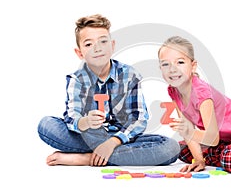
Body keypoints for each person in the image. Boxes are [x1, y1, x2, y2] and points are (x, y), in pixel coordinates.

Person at [37, 14, 180, 166]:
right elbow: (72, 117)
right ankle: (112, 155)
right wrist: (85, 122)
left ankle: (86, 158)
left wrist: (112, 143)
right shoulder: (76, 80)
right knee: (46, 125)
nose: (97, 48)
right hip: (88, 137)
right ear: (79, 53)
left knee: (170, 147)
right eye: (88, 44)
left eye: (103, 41)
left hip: (121, 139)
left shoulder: (129, 75)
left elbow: (139, 119)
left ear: (112, 45)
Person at [157, 36, 231, 173]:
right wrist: (199, 160)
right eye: (165, 64)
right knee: (182, 150)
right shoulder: (173, 91)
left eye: (180, 62)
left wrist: (188, 132)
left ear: (193, 65)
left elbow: (212, 138)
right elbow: (188, 129)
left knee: (230, 158)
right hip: (226, 140)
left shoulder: (201, 92)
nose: (172, 69)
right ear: (160, 67)